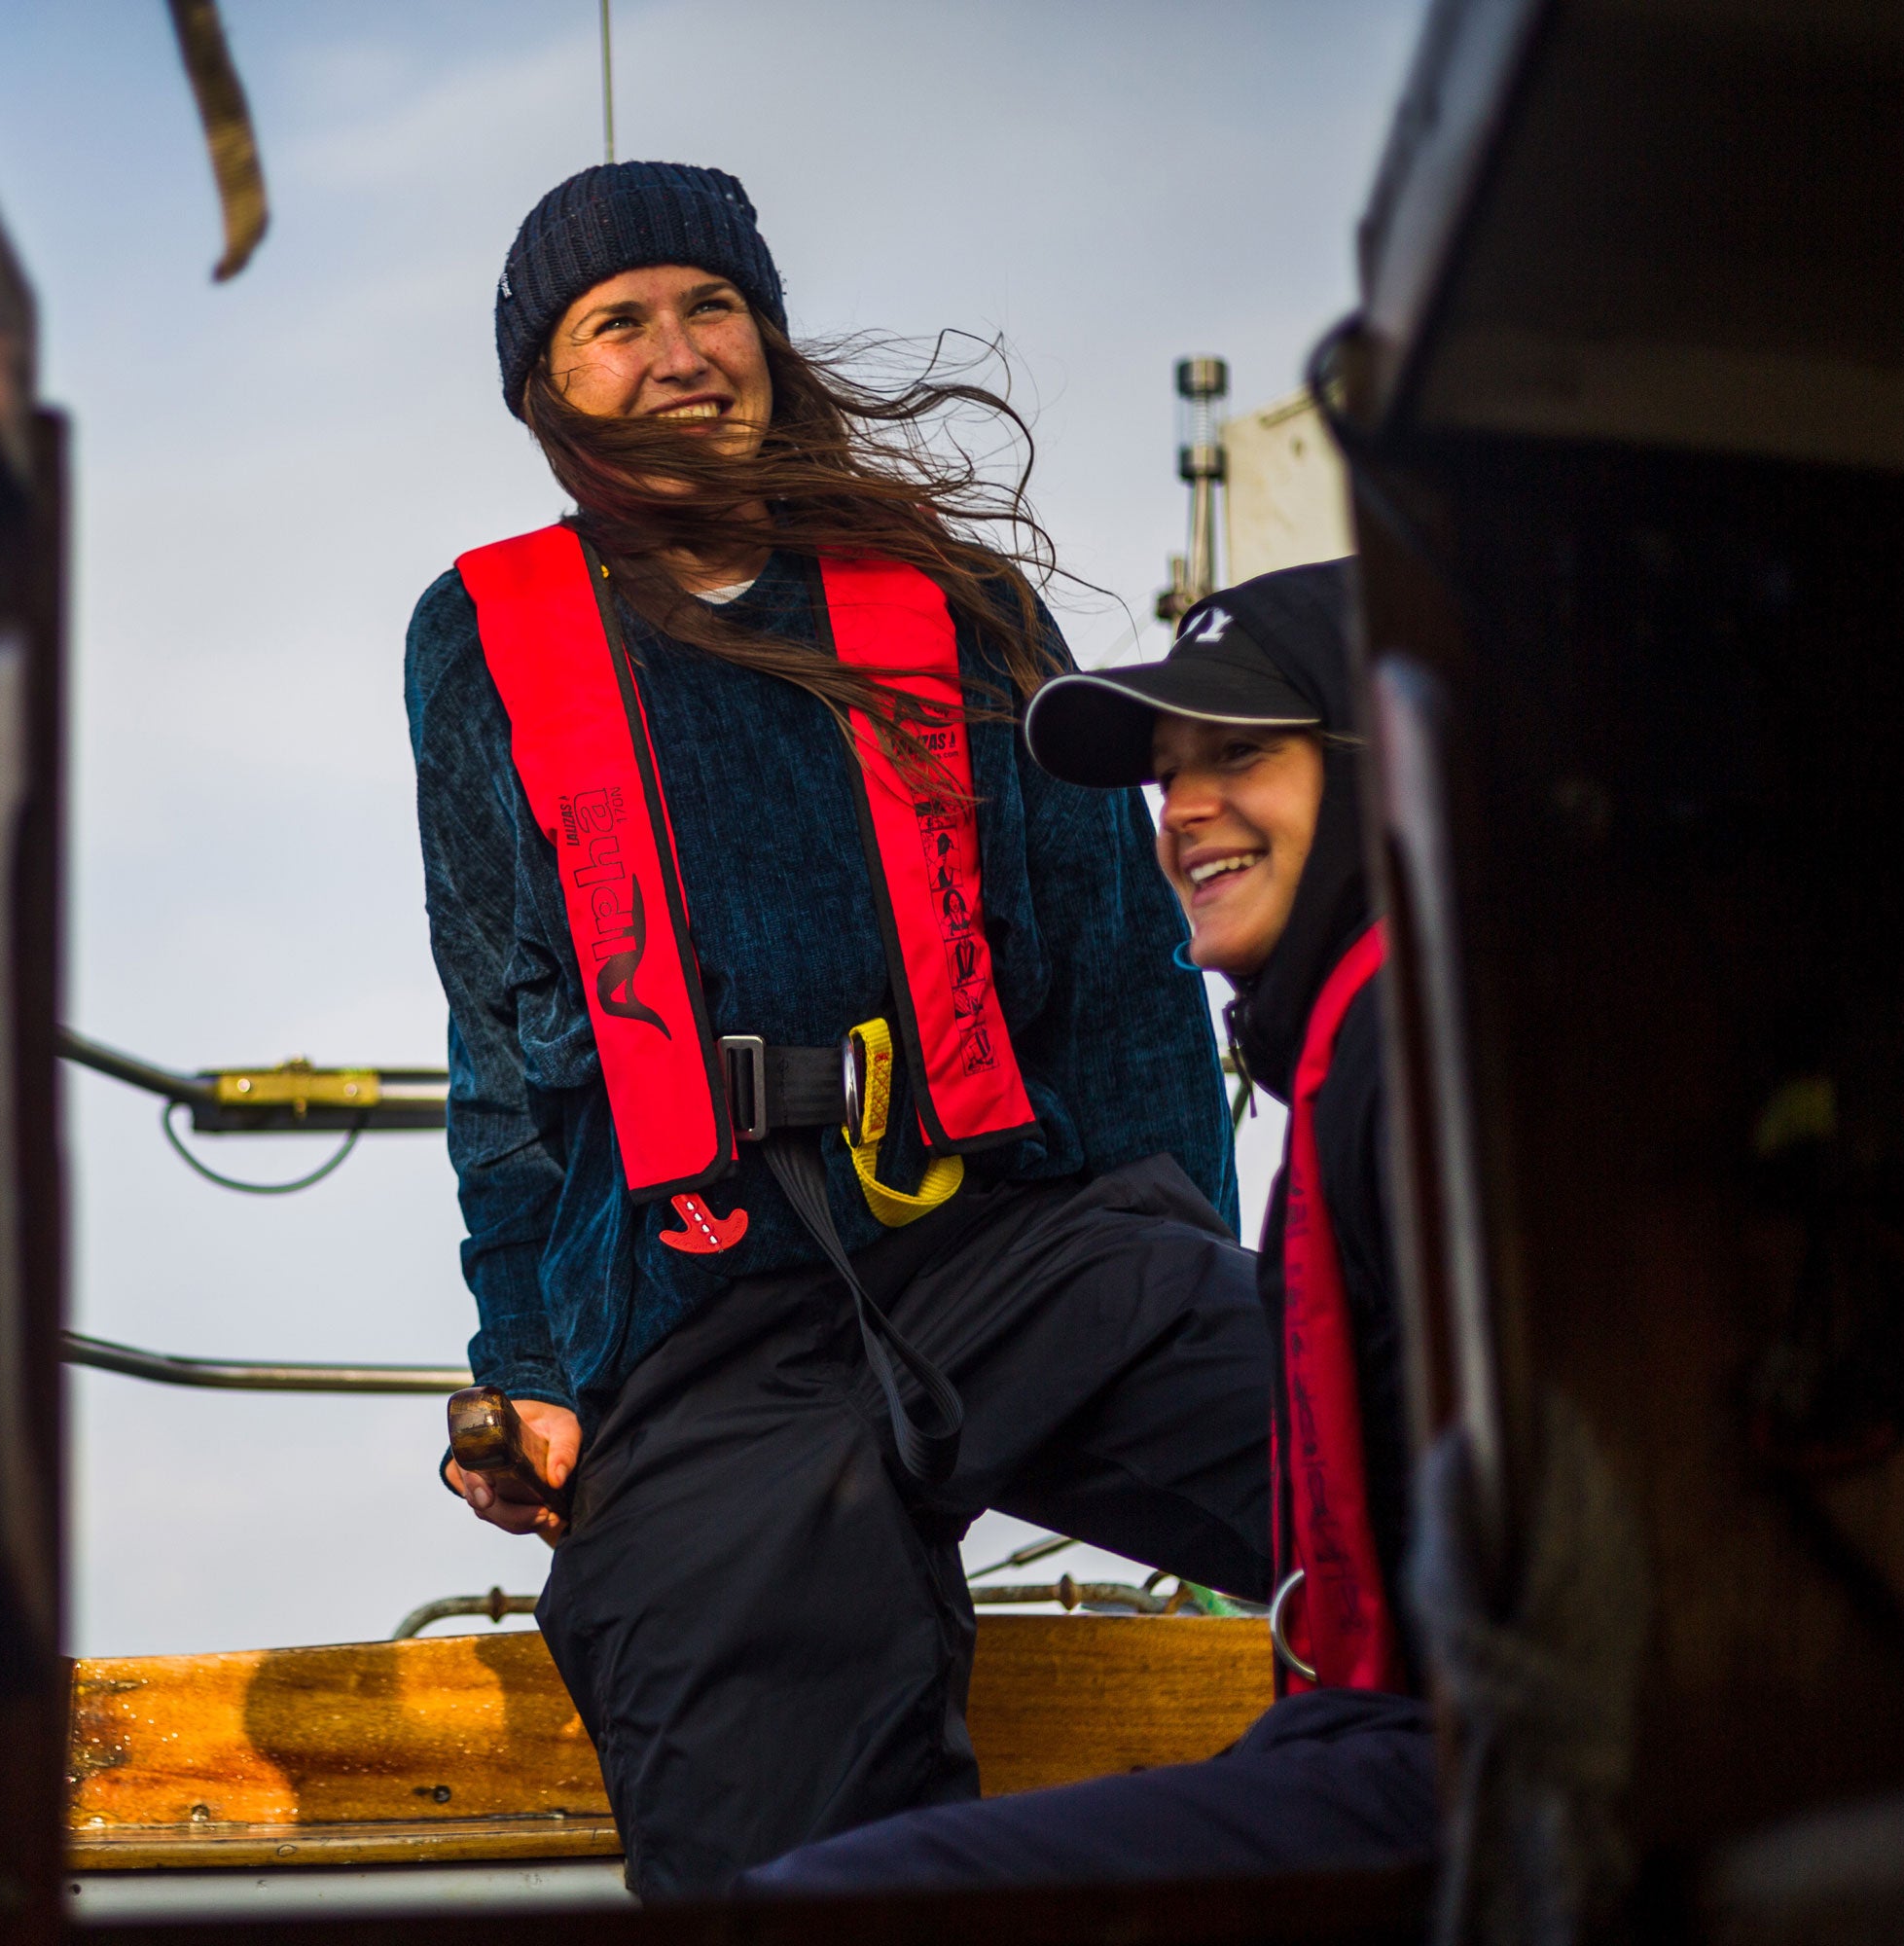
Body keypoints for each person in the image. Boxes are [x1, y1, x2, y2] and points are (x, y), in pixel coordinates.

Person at [406, 161, 1276, 1898]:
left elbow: (1117, 972)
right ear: (544, 394)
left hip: (1016, 1244)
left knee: (1385, 1455)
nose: (678, 350)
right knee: (767, 1827)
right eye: (616, 323)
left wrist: (1182, 1241)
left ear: (772, 343)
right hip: (699, 1310)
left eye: (711, 305)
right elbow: (500, 1036)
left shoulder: (952, 602)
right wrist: (527, 1359)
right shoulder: (478, 638)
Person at [741, 559, 1439, 1894]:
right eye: (1169, 775)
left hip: (1502, 1760)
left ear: (1389, 766)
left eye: (1240, 755)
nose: (1185, 813)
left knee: (821, 1907)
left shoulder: (1432, 1061)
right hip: (1399, 1726)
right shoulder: (1379, 1040)